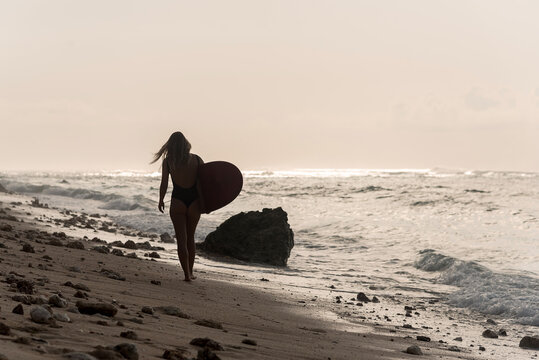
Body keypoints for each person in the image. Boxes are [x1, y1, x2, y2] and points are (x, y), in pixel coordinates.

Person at [151, 132, 203, 281]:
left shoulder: (168, 162)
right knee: (190, 238)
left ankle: (186, 274)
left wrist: (161, 199)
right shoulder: (197, 160)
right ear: (186, 144)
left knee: (181, 240)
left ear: (170, 145)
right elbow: (207, 182)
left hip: (177, 201)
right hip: (194, 202)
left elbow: (164, 183)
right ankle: (191, 272)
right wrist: (208, 203)